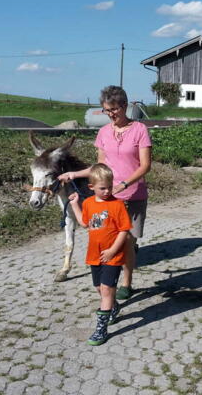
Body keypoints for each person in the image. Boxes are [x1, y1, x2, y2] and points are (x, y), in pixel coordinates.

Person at [59, 85, 152, 300]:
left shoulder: (140, 130)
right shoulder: (103, 132)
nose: (111, 115)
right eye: (106, 111)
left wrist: (125, 184)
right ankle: (108, 282)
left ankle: (126, 283)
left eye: (114, 110)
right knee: (109, 239)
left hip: (133, 194)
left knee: (127, 239)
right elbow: (100, 167)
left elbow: (145, 165)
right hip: (109, 196)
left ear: (124, 106)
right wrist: (74, 174)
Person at [68, 163, 132, 346]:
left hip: (113, 256)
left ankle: (101, 329)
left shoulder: (118, 205)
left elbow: (124, 231)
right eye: (102, 188)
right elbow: (84, 223)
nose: (107, 191)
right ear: (91, 187)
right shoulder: (88, 203)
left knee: (106, 290)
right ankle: (113, 306)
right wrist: (75, 205)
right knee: (99, 288)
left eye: (110, 187)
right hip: (94, 255)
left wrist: (113, 250)